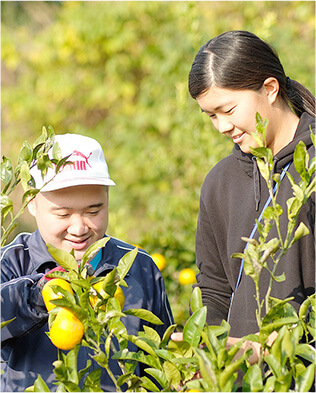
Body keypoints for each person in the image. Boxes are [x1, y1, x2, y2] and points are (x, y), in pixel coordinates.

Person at [172, 30, 315, 359]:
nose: (222, 127)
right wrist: (203, 355)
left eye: (228, 110)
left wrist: (271, 351)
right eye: (211, 116)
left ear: (269, 89)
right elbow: (215, 289)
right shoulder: (221, 183)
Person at [1, 133, 174, 392]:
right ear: (31, 203)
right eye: (63, 213)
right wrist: (39, 294)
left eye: (94, 211)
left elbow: (160, 363)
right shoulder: (10, 262)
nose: (79, 228)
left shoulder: (138, 266)